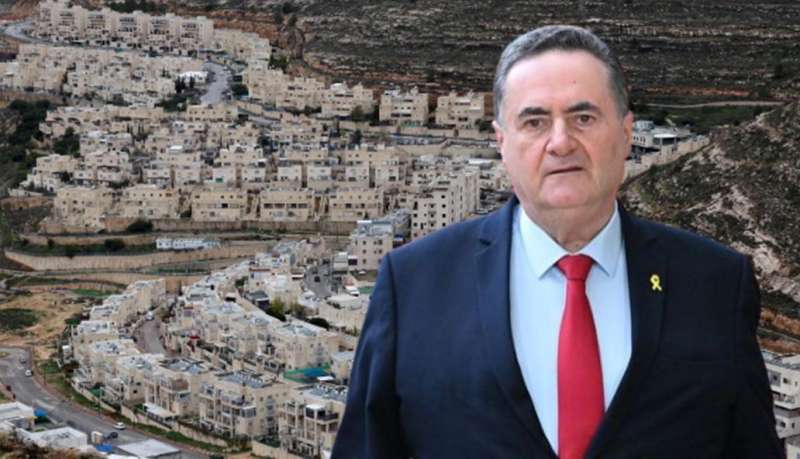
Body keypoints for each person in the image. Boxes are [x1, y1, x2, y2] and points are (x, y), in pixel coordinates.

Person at [331, 25, 781, 459]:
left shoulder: (715, 283)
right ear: (502, 142)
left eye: (584, 118)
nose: (561, 142)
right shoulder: (414, 285)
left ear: (626, 133)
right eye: (535, 122)